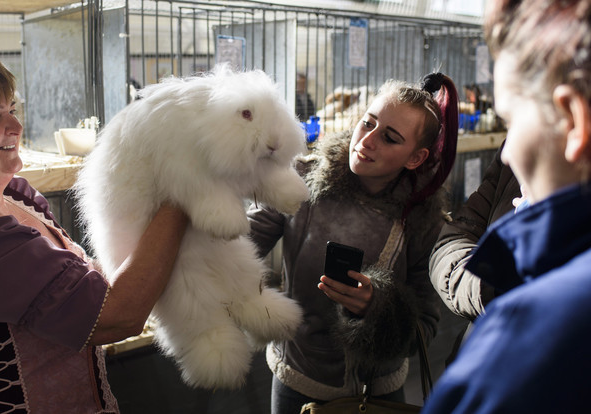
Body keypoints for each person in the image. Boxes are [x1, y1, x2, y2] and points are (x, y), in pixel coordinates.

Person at [0, 47, 188, 413]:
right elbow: (116, 315)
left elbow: (87, 282)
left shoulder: (12, 197)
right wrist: (182, 194)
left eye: (12, 110)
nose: (15, 126)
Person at [247, 72, 460, 414]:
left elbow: (424, 326)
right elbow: (242, 242)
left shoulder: (422, 222)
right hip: (296, 378)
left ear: (415, 158)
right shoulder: (301, 179)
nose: (367, 140)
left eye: (390, 137)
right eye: (368, 122)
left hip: (374, 393)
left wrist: (378, 307)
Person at [423, 1, 591, 412]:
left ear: (573, 120)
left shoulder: (522, 346)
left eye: (513, 121)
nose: (509, 151)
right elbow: (456, 234)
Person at [429, 143, 520, 321]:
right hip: (485, 339)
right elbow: (452, 241)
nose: (506, 155)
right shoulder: (512, 155)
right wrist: (489, 284)